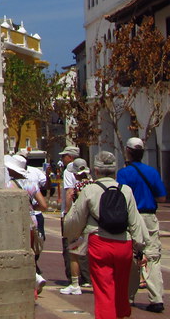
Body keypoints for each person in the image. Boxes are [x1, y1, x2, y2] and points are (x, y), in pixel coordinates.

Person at [64, 151, 148, 319]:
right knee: (121, 286)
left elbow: (75, 220)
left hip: (99, 243)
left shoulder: (90, 190)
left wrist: (71, 235)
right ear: (114, 171)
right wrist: (140, 247)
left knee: (104, 289)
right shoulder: (126, 191)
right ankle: (120, 314)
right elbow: (135, 221)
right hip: (123, 244)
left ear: (96, 170)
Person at [118, 136, 166, 313]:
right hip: (149, 217)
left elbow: (122, 198)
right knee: (152, 257)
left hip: (132, 217)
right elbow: (161, 197)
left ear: (128, 152)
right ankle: (156, 298)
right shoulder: (152, 172)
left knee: (131, 257)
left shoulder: (123, 173)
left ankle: (128, 296)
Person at [6, 154, 48, 295]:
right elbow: (43, 205)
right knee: (30, 254)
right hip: (31, 221)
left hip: (15, 223)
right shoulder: (31, 184)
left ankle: (31, 280)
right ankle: (33, 282)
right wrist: (31, 209)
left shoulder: (7, 185)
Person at [61, 158, 93, 295]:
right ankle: (91, 279)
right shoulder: (93, 184)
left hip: (79, 220)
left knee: (73, 250)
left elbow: (71, 198)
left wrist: (67, 214)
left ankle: (74, 283)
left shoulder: (78, 186)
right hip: (93, 221)